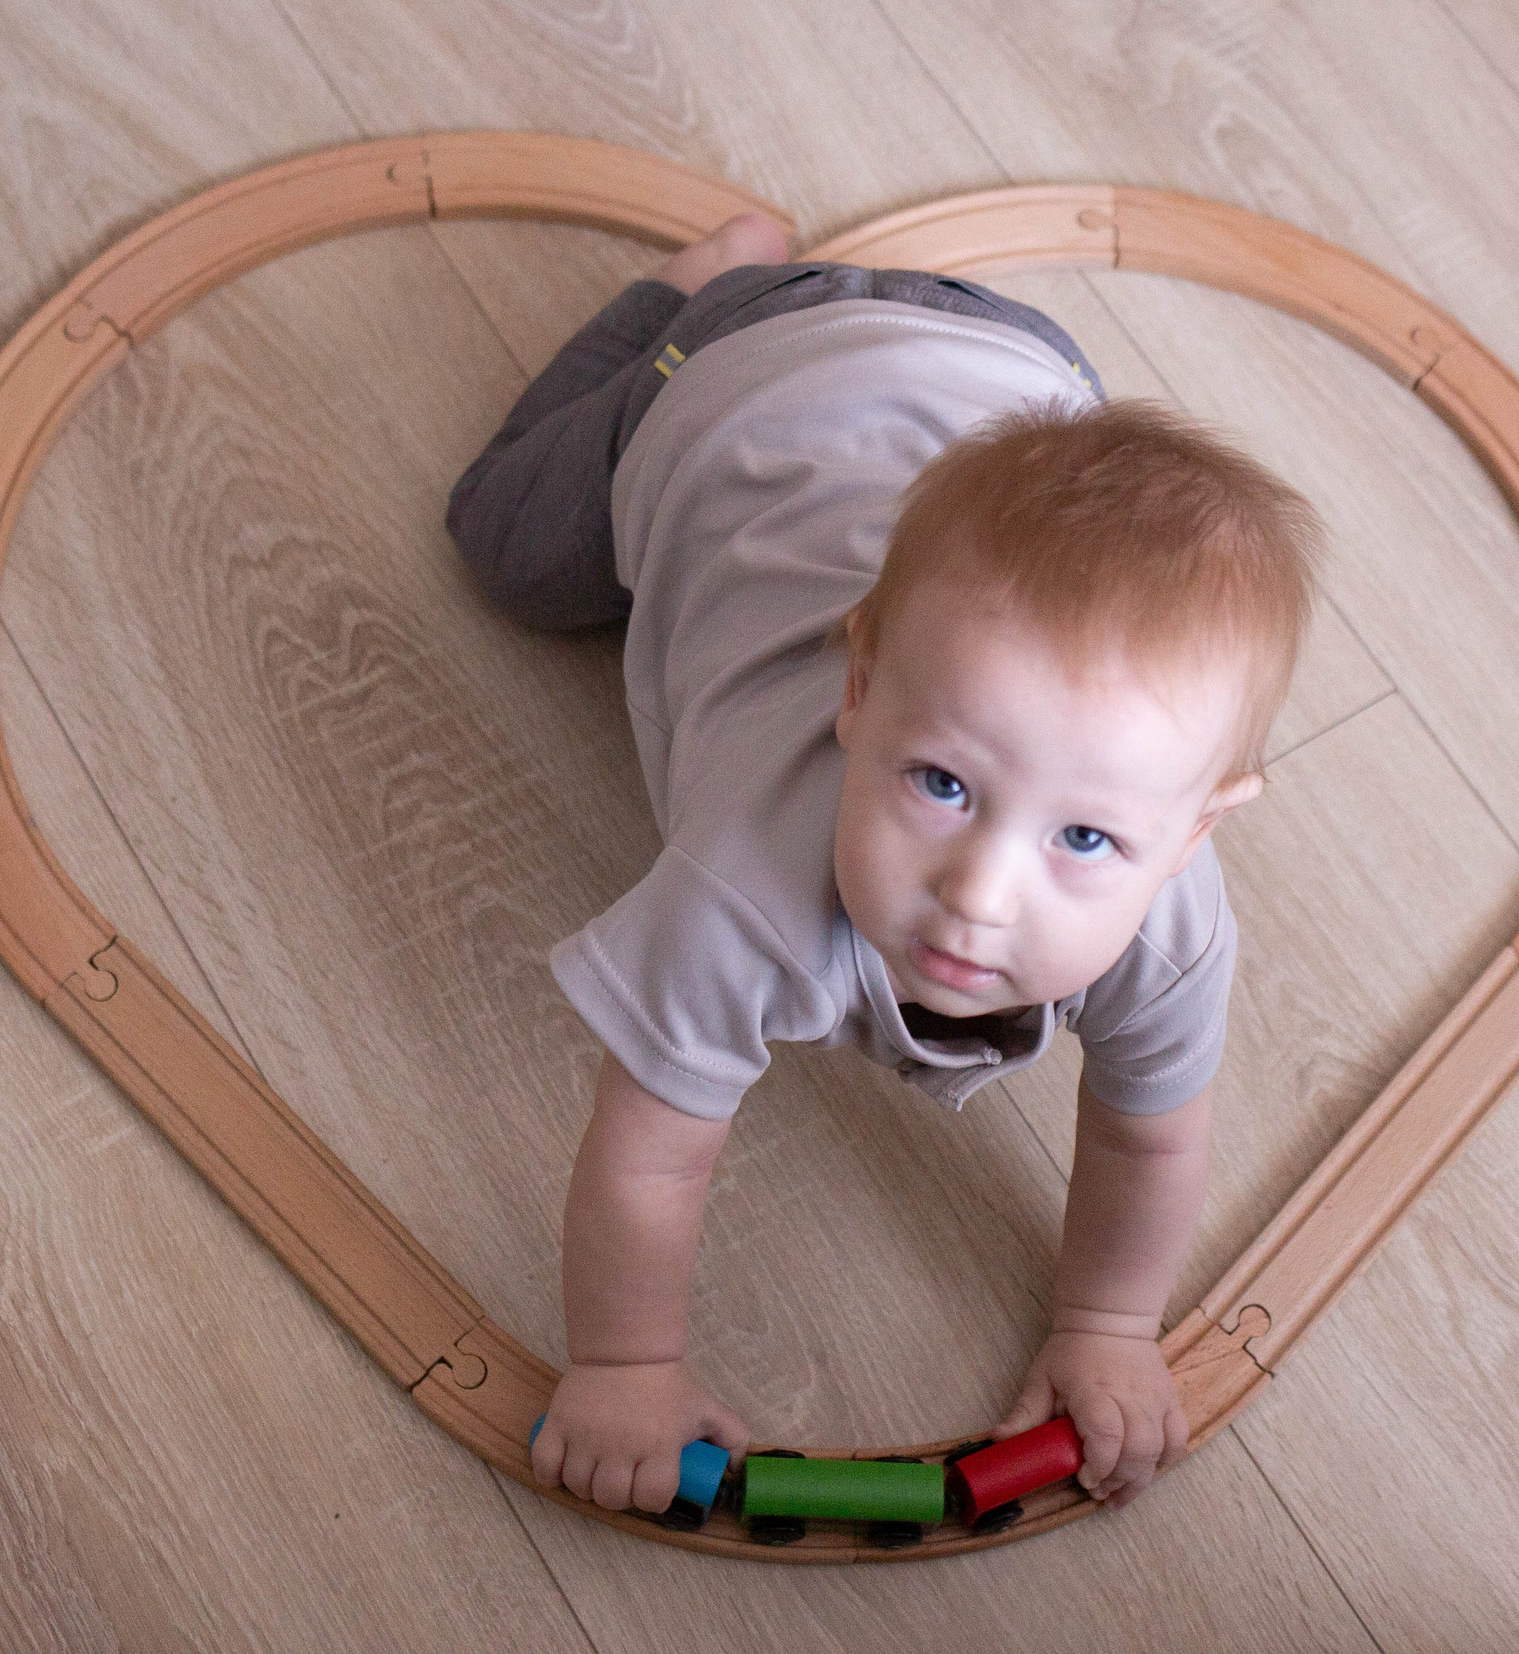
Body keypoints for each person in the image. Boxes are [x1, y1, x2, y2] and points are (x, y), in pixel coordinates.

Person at [446, 212, 1323, 1518]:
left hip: (1018, 368)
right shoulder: (746, 891)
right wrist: (627, 1365)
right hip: (745, 381)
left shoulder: (1176, 928)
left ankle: (840, 321)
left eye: (1085, 838)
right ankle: (684, 294)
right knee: (499, 537)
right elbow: (650, 1157)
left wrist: (1107, 1322)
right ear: (860, 687)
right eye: (944, 783)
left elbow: (1152, 1141)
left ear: (1198, 829)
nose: (979, 890)